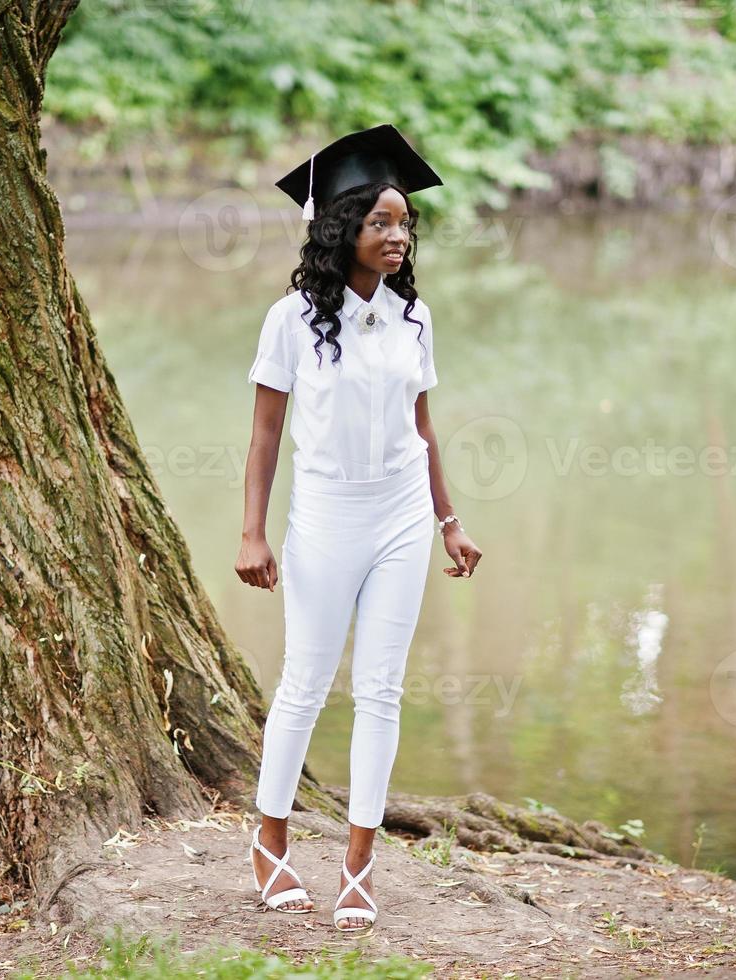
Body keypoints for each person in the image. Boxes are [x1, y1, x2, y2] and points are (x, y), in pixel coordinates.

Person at [236, 124, 483, 932]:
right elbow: (265, 434)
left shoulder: (414, 320)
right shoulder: (292, 321)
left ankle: (357, 864)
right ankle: (269, 844)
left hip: (403, 517)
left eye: (404, 224)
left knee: (381, 691)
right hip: (326, 519)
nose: (397, 237)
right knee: (303, 686)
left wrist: (449, 521)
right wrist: (252, 532)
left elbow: (424, 427)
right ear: (342, 226)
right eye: (380, 222)